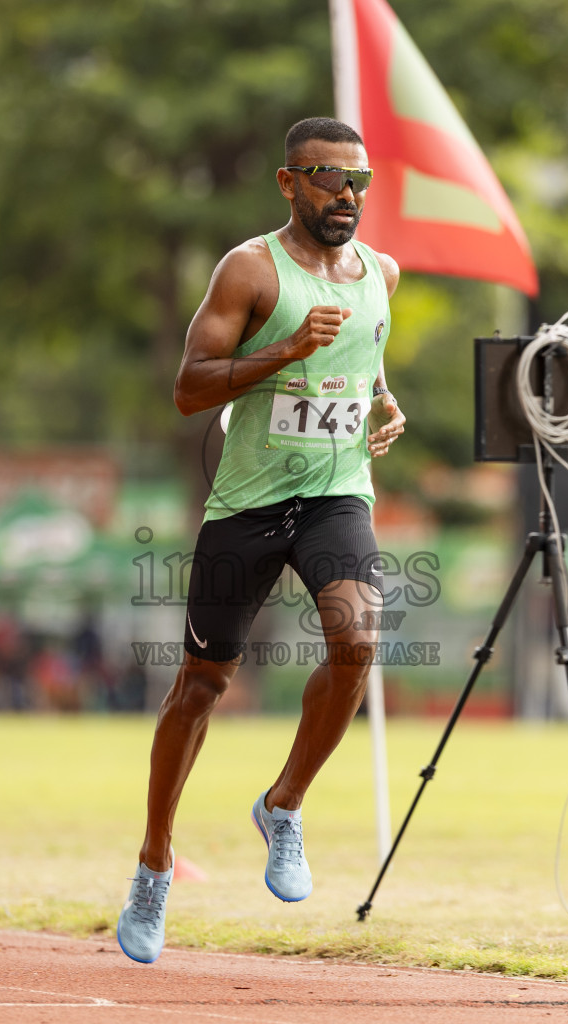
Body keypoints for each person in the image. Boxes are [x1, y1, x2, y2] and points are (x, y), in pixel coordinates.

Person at [115, 117, 405, 963]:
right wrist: (283, 347)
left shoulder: (382, 272)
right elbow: (188, 390)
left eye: (359, 180)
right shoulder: (249, 269)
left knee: (357, 638)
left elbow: (364, 357)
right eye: (326, 177)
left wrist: (383, 402)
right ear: (289, 183)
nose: (346, 195)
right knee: (202, 684)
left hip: (335, 494)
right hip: (246, 503)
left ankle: (283, 804)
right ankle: (154, 861)